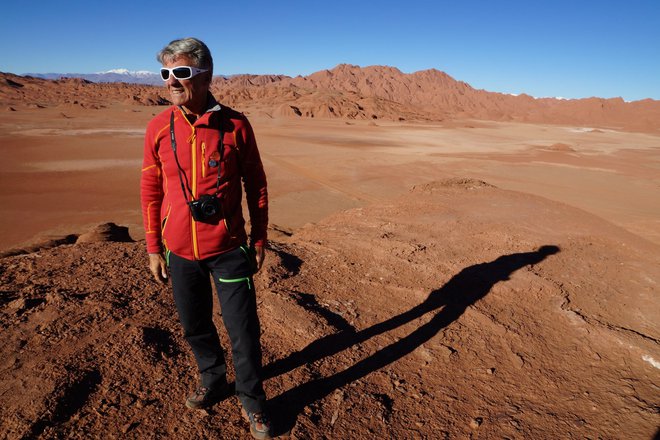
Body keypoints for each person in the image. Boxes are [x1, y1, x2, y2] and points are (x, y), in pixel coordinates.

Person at [140, 37, 271, 439]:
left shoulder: (235, 124)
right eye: (166, 74)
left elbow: (257, 184)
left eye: (180, 72)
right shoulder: (159, 127)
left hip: (229, 249)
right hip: (179, 251)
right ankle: (212, 378)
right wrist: (153, 247)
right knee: (195, 325)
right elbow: (150, 190)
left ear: (205, 74)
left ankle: (252, 400)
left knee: (243, 330)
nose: (171, 82)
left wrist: (260, 237)